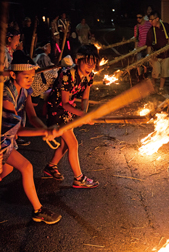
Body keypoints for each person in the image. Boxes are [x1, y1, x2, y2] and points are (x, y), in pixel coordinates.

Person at [1, 51, 62, 224]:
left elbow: (33, 117)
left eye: (32, 76)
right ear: (13, 74)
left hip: (7, 140)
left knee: (8, 169)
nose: (30, 79)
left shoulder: (25, 91)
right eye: (26, 76)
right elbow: (17, 130)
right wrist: (44, 132)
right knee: (25, 167)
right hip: (2, 140)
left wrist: (46, 130)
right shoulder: (6, 95)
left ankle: (38, 210)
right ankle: (38, 210)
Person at [44, 44, 100, 189]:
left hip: (69, 108)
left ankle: (51, 166)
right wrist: (82, 115)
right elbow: (63, 103)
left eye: (93, 63)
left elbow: (85, 97)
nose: (90, 67)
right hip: (56, 109)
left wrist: (84, 113)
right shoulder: (68, 74)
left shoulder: (90, 76)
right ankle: (78, 178)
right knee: (73, 144)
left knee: (66, 144)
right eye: (87, 63)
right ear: (78, 60)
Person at [146, 10, 169, 91]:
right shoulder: (150, 31)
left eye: (152, 20)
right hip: (155, 55)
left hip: (166, 54)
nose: (151, 22)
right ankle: (153, 86)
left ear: (157, 19)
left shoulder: (165, 26)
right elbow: (149, 44)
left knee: (164, 73)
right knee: (156, 72)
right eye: (149, 20)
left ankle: (161, 88)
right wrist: (148, 54)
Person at [134, 10, 152, 81]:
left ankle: (145, 75)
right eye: (137, 18)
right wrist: (135, 49)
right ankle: (140, 76)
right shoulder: (136, 27)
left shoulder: (149, 24)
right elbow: (136, 38)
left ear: (143, 17)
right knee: (139, 63)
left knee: (147, 63)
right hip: (140, 47)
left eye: (140, 17)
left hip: (148, 47)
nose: (138, 19)